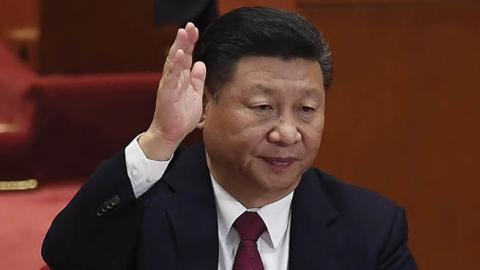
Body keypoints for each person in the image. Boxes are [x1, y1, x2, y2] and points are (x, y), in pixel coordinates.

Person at [41, 7, 417, 270]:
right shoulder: (148, 209)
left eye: (306, 110)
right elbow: (68, 257)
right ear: (205, 106)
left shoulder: (370, 228)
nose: (287, 133)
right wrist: (160, 137)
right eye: (263, 106)